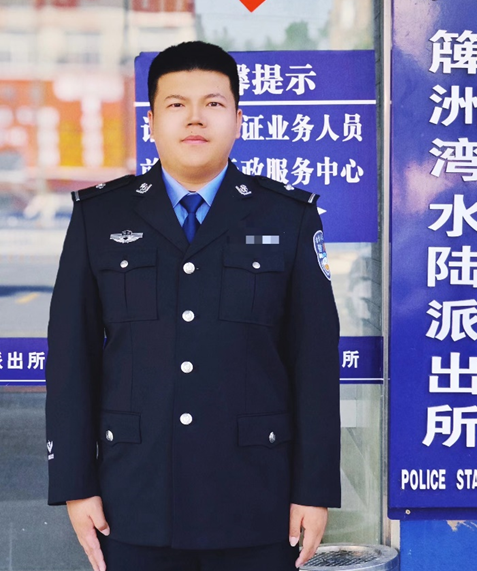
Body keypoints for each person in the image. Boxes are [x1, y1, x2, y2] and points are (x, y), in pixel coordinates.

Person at [45, 41, 341, 571]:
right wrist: (75, 483)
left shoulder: (287, 217)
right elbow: (71, 358)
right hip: (133, 499)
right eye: (177, 104)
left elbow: (314, 361)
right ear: (152, 122)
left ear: (238, 121)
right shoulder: (101, 217)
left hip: (256, 500)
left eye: (214, 103)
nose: (195, 118)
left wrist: (313, 489)